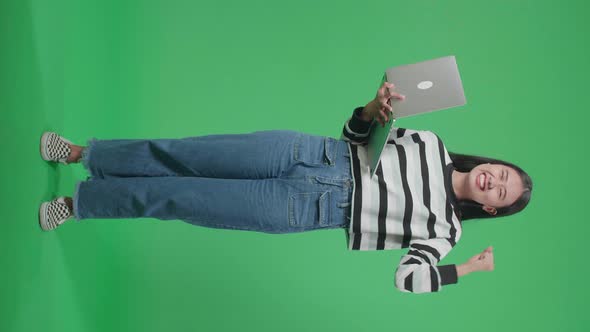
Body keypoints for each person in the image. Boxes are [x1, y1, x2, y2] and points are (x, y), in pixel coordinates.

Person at [38, 82, 533, 294]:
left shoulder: (447, 232)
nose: (495, 181)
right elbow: (358, 136)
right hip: (306, 153)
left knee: (181, 198)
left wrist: (466, 269)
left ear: (491, 209)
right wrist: (373, 106)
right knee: (183, 152)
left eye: (501, 194)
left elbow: (408, 280)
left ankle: (77, 202)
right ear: (491, 162)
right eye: (502, 173)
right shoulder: (430, 141)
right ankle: (87, 155)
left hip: (307, 207)